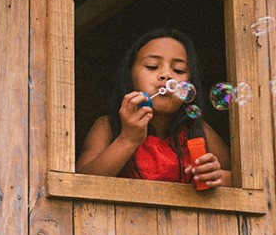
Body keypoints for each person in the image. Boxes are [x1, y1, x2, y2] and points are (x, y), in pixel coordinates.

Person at [76, 28, 231, 188]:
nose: (166, 75)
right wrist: (128, 139)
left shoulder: (199, 131)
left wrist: (216, 176)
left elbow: (242, 180)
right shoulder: (107, 126)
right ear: (130, 76)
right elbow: (80, 183)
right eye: (152, 66)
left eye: (178, 70)